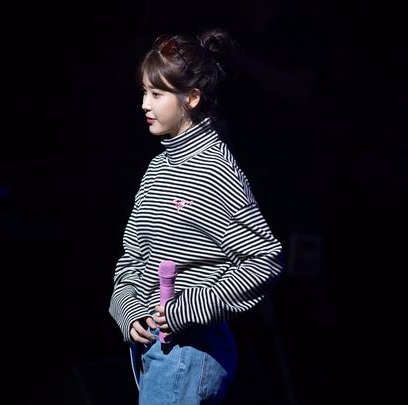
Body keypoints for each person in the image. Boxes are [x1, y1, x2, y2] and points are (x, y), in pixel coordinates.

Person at [108, 28, 284, 404]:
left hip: (191, 353)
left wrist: (184, 311)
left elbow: (264, 260)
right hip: (155, 352)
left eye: (157, 94)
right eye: (144, 92)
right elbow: (132, 257)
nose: (144, 104)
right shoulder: (158, 169)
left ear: (191, 98)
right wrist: (129, 310)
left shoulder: (213, 170)